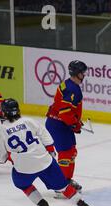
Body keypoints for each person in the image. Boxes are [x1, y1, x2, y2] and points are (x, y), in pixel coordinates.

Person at [0, 99, 93, 206]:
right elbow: (45, 135)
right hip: (45, 161)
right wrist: (50, 151)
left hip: (23, 168)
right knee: (63, 186)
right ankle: (81, 203)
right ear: (18, 110)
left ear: (3, 113)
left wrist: (10, 157)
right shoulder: (29, 121)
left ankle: (41, 203)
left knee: (21, 183)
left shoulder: (0, 132)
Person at [45, 60, 88, 192]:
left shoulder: (68, 84)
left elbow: (65, 110)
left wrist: (75, 121)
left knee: (71, 152)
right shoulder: (72, 89)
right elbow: (64, 113)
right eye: (82, 73)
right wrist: (75, 124)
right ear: (76, 73)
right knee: (65, 154)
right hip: (58, 125)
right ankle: (60, 187)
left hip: (60, 124)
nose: (84, 75)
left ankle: (66, 181)